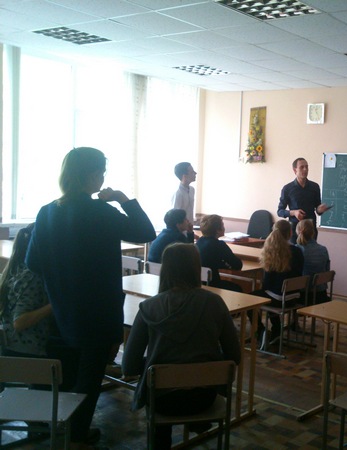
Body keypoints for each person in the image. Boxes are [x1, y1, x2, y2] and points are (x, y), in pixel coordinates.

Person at [26, 147, 156, 450]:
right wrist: (122, 199)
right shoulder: (101, 212)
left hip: (61, 310)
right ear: (93, 175)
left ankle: (63, 430)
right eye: (102, 172)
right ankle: (77, 436)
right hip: (99, 312)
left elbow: (33, 263)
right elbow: (145, 232)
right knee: (88, 380)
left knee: (67, 376)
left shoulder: (47, 211)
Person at [122, 243, 241, 450]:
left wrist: (158, 367)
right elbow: (234, 356)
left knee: (158, 394)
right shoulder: (215, 303)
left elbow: (129, 366)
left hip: (162, 399)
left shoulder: (149, 308)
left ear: (165, 269)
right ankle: (197, 422)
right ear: (196, 268)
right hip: (204, 396)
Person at [0, 223, 53, 358]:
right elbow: (20, 322)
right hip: (25, 353)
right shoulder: (32, 276)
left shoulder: (16, 268)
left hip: (10, 348)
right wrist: (55, 304)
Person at [251, 220, 304, 348]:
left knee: (249, 300)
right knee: (272, 293)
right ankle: (276, 330)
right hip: (294, 298)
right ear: (290, 233)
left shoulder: (271, 251)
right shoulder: (297, 251)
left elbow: (267, 283)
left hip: (278, 299)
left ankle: (261, 331)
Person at [277, 157, 332, 243]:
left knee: (311, 251)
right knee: (295, 251)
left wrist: (320, 209)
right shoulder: (287, 188)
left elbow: (318, 210)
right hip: (295, 230)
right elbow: (280, 211)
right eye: (302, 167)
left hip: (311, 230)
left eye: (306, 167)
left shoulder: (315, 187)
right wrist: (294, 212)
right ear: (295, 170)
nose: (305, 169)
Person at [195, 214, 243, 292]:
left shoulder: (199, 242)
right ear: (217, 230)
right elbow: (237, 265)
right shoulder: (219, 245)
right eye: (222, 225)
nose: (224, 228)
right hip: (213, 284)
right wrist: (223, 264)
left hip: (198, 283)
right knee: (238, 288)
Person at [296, 219, 331, 304]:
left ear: (297, 232)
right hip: (321, 294)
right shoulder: (323, 249)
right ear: (313, 232)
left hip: (303, 296)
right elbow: (327, 270)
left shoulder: (296, 249)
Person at [171, 162, 197, 229]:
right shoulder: (178, 193)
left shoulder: (192, 190)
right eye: (192, 172)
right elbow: (175, 216)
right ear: (184, 176)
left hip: (190, 228)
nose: (195, 173)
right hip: (180, 229)